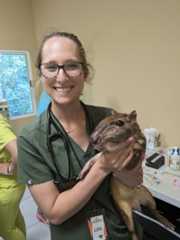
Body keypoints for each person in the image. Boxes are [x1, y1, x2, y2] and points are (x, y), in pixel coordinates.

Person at [17, 31, 143, 240]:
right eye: (51, 67)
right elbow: (54, 213)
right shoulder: (30, 140)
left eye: (71, 65)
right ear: (41, 74)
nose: (61, 76)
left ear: (85, 72)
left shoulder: (109, 118)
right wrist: (102, 166)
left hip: (123, 231)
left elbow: (134, 180)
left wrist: (131, 162)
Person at [0, 111, 26, 240]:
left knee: (4, 228)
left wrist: (9, 168)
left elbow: (18, 153)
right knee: (14, 218)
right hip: (13, 183)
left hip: (8, 187)